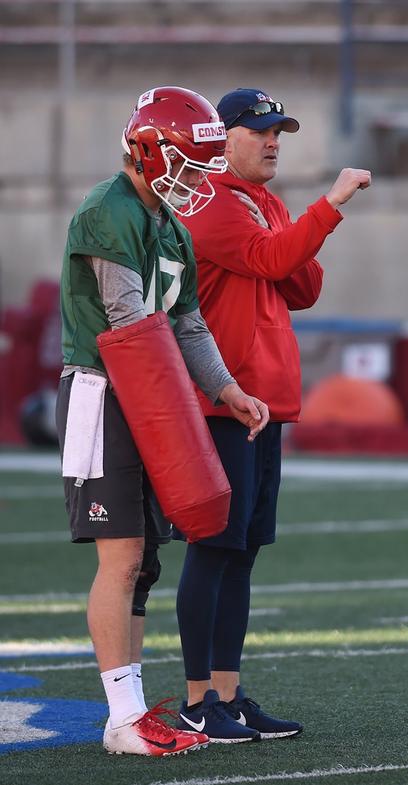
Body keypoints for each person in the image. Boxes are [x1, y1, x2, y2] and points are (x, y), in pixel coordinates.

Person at [56, 85, 269, 756]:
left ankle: (134, 710)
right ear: (150, 152)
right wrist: (174, 408)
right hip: (106, 388)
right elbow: (128, 321)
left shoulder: (170, 224)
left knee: (143, 561)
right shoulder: (109, 211)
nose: (200, 178)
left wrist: (227, 389)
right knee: (120, 559)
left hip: (147, 390)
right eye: (190, 163)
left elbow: (186, 321)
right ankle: (123, 718)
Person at [173, 88, 371, 743]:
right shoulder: (210, 201)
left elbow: (303, 286)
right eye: (258, 130)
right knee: (215, 547)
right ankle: (198, 699)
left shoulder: (262, 202)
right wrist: (329, 207)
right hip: (221, 400)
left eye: (277, 130)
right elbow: (271, 260)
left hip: (264, 406)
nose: (272, 140)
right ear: (222, 137)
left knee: (245, 551)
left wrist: (295, 225)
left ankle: (227, 692)